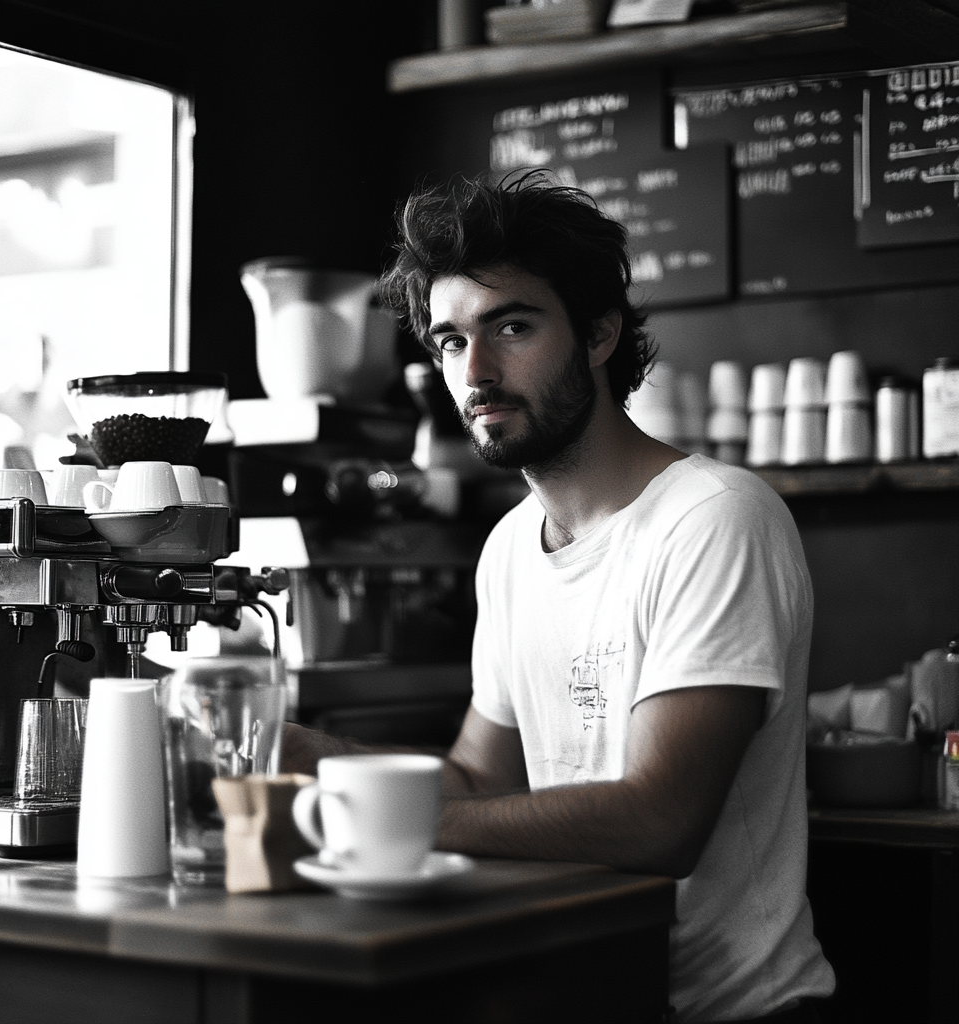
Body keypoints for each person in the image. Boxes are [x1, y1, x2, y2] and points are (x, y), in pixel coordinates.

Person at [281, 172, 836, 1024]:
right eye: (451, 341)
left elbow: (660, 824)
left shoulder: (715, 518)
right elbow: (477, 775)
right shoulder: (510, 547)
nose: (479, 371)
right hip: (581, 990)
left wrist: (399, 824)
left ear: (600, 333)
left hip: (730, 1012)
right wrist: (313, 758)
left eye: (512, 326)